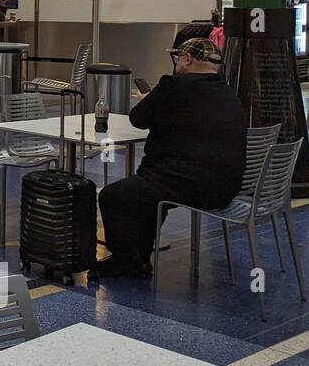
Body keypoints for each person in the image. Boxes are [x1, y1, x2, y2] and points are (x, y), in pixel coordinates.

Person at [97, 38, 246, 277]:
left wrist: (149, 101)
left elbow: (138, 119)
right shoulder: (228, 93)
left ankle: (126, 260)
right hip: (226, 189)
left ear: (186, 60)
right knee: (149, 196)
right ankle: (139, 257)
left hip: (186, 183)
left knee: (113, 196)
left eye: (178, 59)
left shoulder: (173, 86)